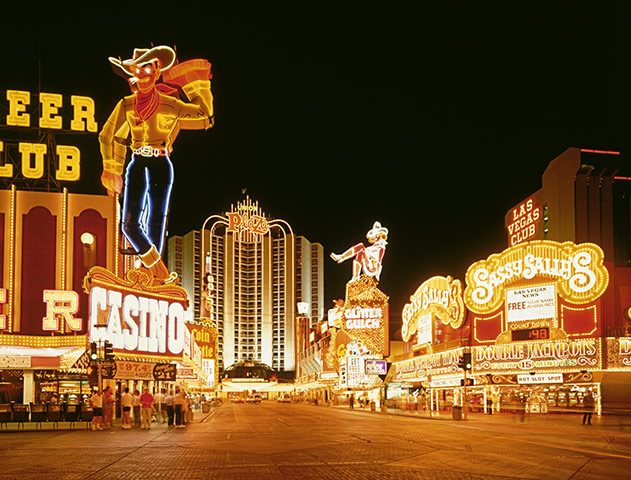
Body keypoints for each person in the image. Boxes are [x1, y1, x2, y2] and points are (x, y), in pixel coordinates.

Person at [99, 45, 213, 285]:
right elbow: (110, 136)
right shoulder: (126, 105)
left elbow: (204, 113)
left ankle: (153, 278)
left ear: (157, 71)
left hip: (161, 163)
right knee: (129, 225)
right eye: (136, 70)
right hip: (137, 162)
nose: (141, 75)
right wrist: (113, 168)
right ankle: (160, 271)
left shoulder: (169, 104)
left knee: (156, 222)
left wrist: (194, 82)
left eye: (146, 68)